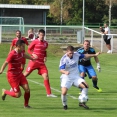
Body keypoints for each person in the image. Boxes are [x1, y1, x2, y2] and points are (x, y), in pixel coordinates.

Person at [59, 45, 101, 110]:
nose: (71, 54)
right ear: (67, 52)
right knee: (64, 92)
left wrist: (94, 55)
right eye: (70, 53)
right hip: (66, 78)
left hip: (75, 77)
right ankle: (65, 105)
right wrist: (65, 72)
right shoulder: (63, 59)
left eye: (72, 52)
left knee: (86, 86)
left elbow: (85, 55)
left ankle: (82, 102)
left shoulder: (76, 54)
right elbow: (61, 70)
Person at [0, 40, 37, 108]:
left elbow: (24, 55)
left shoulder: (21, 52)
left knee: (27, 89)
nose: (24, 48)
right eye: (23, 46)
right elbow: (6, 62)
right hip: (12, 76)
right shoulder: (12, 54)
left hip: (19, 74)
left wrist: (32, 58)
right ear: (18, 46)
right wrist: (1, 70)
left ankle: (26, 105)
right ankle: (5, 92)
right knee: (18, 95)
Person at [23, 29, 57, 98]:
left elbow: (44, 51)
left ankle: (49, 94)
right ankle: (13, 87)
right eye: (40, 35)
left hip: (41, 63)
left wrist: (45, 56)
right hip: (33, 62)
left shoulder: (45, 43)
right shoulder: (35, 41)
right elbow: (29, 49)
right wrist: (33, 54)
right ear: (38, 35)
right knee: (24, 75)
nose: (42, 36)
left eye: (43, 35)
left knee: (46, 76)